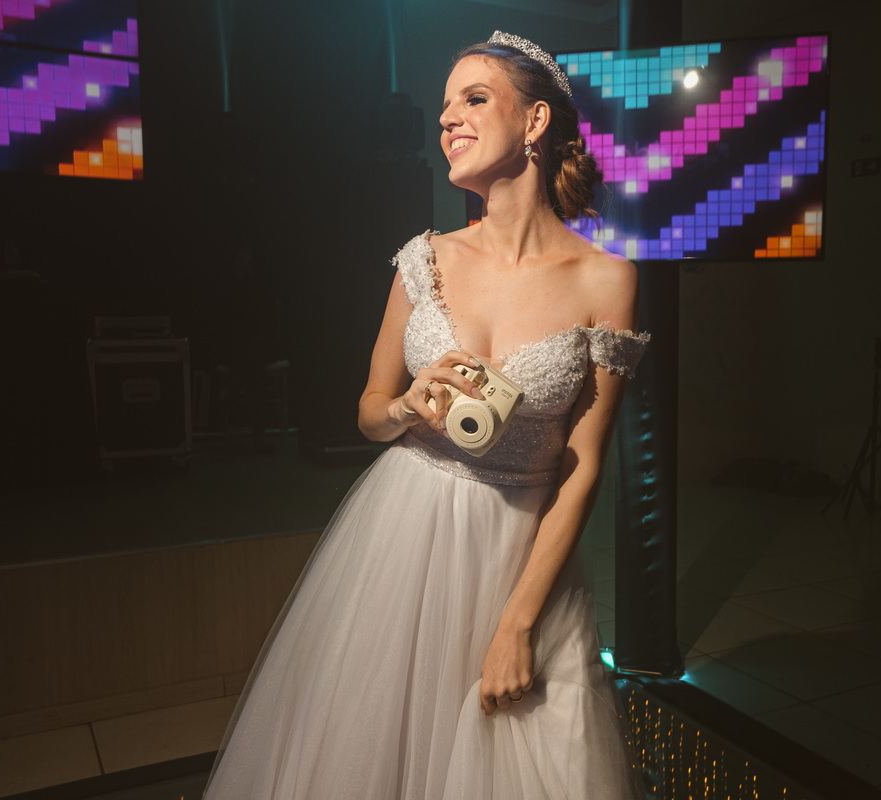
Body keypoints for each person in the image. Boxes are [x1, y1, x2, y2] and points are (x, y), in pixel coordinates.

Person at [203, 31, 648, 799]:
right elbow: (368, 413)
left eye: (473, 99)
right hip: (404, 539)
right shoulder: (424, 261)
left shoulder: (605, 280)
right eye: (444, 107)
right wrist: (407, 408)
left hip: (520, 555)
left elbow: (583, 469)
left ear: (535, 121)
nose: (447, 119)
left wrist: (518, 624)